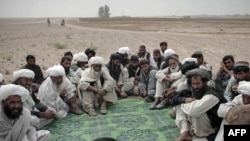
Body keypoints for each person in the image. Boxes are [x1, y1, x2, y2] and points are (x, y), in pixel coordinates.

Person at [174, 68, 226, 141]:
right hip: (198, 124)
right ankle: (185, 133)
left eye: (198, 83)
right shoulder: (194, 90)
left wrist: (182, 104)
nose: (195, 86)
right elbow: (175, 97)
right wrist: (184, 100)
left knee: (195, 112)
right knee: (179, 106)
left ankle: (198, 137)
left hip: (211, 127)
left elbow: (193, 111)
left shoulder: (212, 95)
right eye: (193, 84)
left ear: (204, 83)